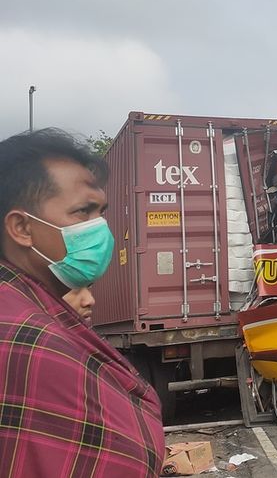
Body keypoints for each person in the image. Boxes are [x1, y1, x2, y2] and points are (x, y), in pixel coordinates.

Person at [0, 129, 164, 477]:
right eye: (83, 212)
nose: (101, 228)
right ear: (22, 228)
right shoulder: (24, 337)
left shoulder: (36, 309)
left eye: (101, 211)